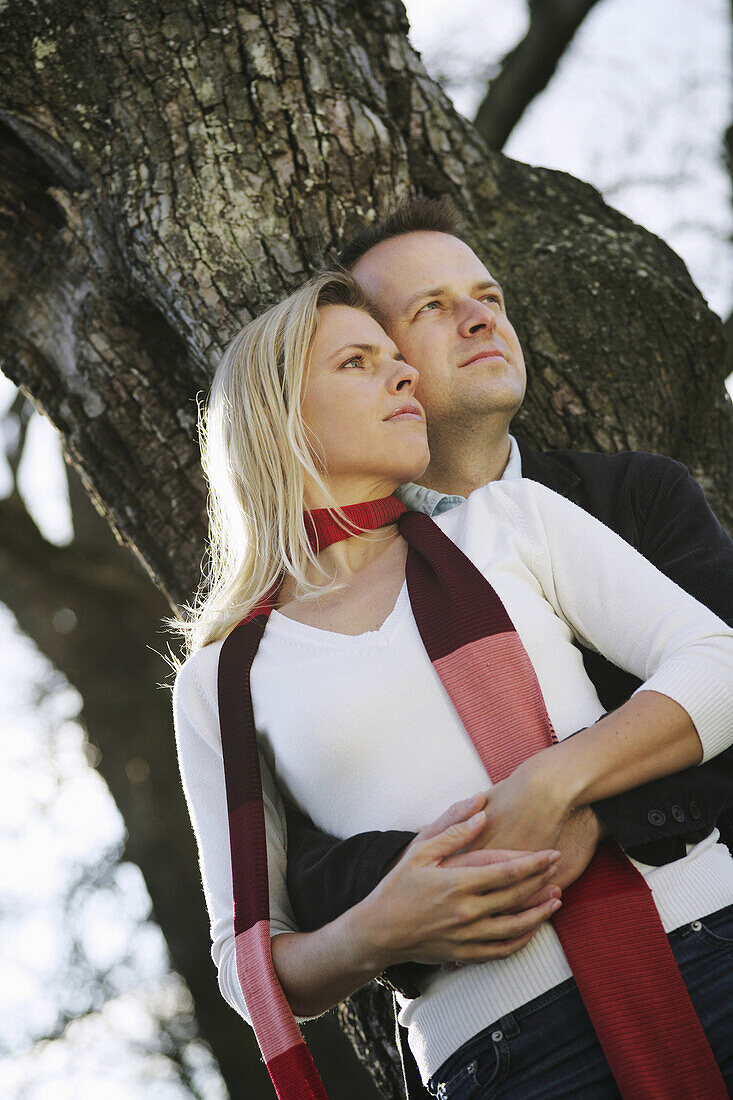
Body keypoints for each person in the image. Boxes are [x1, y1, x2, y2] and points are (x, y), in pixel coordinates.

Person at [172, 269, 733, 1098]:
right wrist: (373, 931)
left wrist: (554, 783)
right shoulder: (221, 678)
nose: (404, 373)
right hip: (495, 1059)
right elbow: (244, 963)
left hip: (705, 946)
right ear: (275, 418)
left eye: (396, 358)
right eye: (358, 363)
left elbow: (716, 661)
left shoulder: (512, 520)